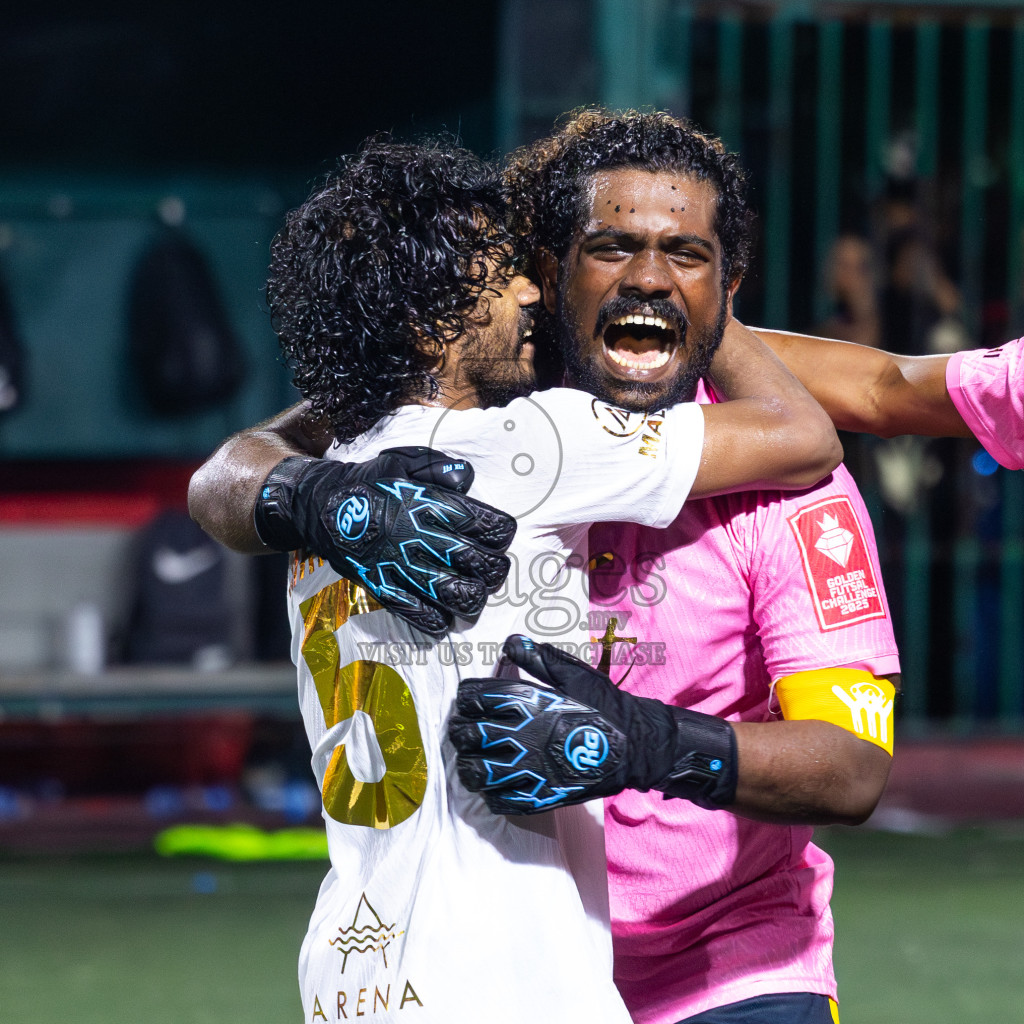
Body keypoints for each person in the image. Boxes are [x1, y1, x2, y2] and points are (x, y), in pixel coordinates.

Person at [202, 131, 839, 1024]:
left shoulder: (329, 478)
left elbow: (232, 475)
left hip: (353, 968)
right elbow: (802, 434)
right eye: (502, 276)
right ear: (431, 320)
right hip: (502, 969)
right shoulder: (533, 443)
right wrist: (697, 288)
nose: (534, 292)